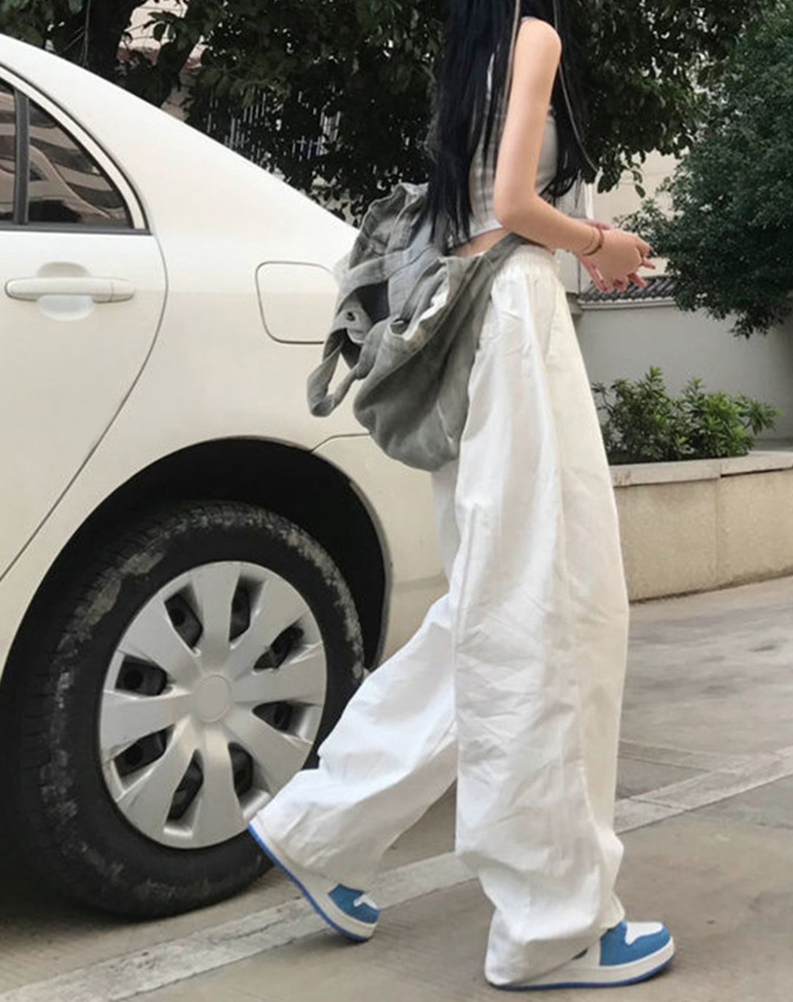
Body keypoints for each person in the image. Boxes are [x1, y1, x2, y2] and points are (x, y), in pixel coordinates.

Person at [248, 0, 674, 990]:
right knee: (549, 610)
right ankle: (551, 927)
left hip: (471, 328)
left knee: (489, 606)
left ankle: (322, 829)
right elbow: (517, 204)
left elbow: (480, 203)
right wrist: (598, 241)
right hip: (514, 319)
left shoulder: (476, 45)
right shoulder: (535, 35)